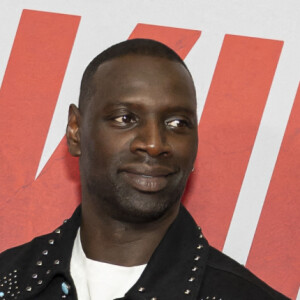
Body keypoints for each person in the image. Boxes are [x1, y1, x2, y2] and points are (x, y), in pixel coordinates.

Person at [0, 39, 290, 300]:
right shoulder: (8, 278)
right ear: (75, 131)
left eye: (177, 123)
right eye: (125, 118)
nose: (154, 144)